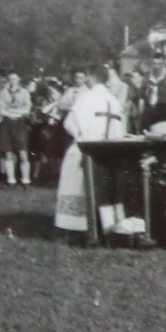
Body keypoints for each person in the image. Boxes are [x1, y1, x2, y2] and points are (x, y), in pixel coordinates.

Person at [53, 67, 128, 238]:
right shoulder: (114, 101)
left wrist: (80, 136)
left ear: (91, 79)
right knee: (106, 189)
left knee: (75, 182)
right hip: (110, 151)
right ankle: (105, 226)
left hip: (86, 149)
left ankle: (73, 226)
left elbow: (69, 123)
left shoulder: (86, 98)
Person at [0, 72, 34, 186]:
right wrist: (9, 112)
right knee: (8, 152)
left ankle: (25, 179)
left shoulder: (24, 92)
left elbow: (27, 110)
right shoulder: (3, 92)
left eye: (15, 79)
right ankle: (11, 179)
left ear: (18, 79)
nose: (12, 81)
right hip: (7, 123)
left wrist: (12, 111)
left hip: (20, 123)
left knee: (22, 151)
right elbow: (1, 109)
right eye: (10, 79)